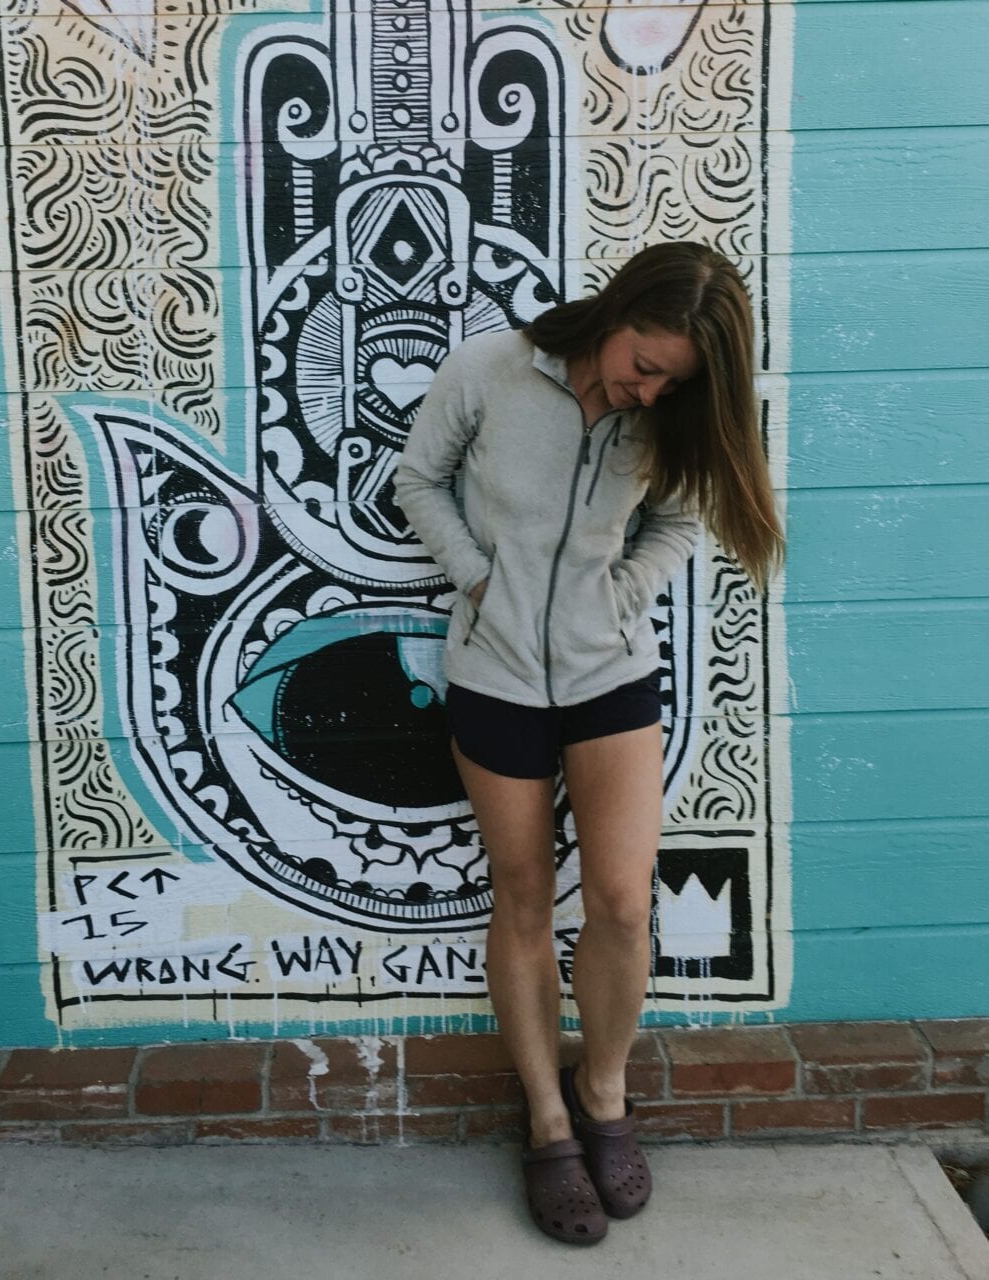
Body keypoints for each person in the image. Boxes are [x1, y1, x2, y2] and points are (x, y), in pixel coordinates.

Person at [392, 240, 783, 1245]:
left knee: (616, 896)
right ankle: (548, 1118)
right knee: (522, 892)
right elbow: (418, 479)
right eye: (645, 364)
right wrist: (479, 577)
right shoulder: (487, 370)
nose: (649, 391)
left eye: (671, 382)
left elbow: (680, 525)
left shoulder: (670, 413)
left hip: (609, 674)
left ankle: (604, 1089)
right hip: (496, 672)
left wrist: (619, 592)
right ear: (620, 309)